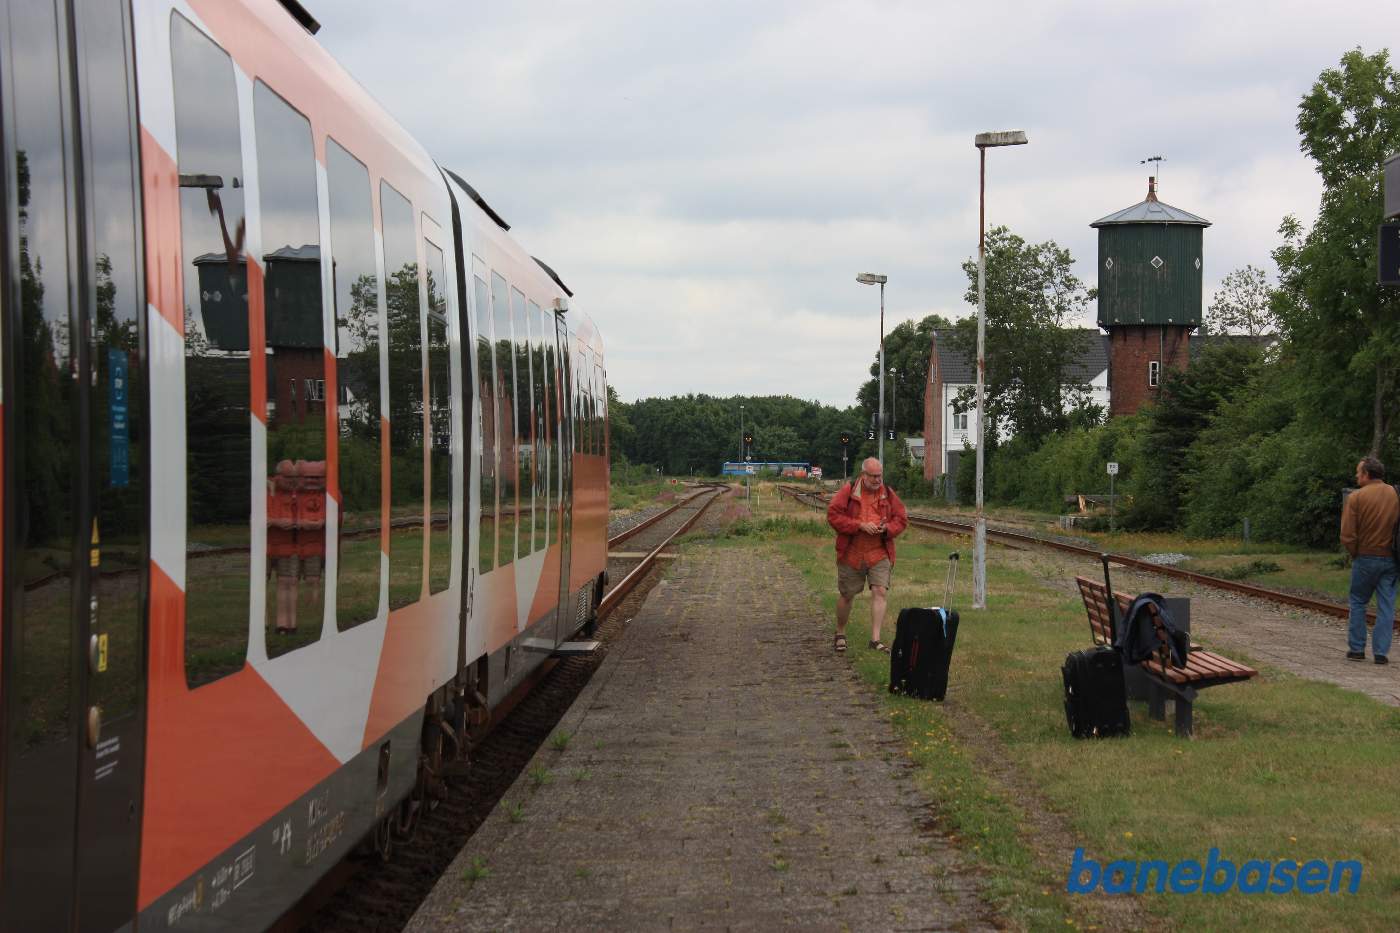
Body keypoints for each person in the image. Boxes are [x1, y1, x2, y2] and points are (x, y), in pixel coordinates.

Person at [827, 457, 908, 654]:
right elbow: (833, 516)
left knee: (880, 591)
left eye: (879, 476)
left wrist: (887, 528)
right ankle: (840, 633)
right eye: (873, 476)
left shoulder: (888, 493)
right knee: (847, 594)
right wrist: (859, 525)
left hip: (879, 552)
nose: (877, 480)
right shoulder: (848, 491)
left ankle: (875, 639)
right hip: (852, 553)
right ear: (863, 475)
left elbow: (902, 519)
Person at [1340, 456, 1399, 664]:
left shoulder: (1357, 497)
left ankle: (1357, 649)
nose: (1357, 476)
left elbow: (1347, 534)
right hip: (1391, 559)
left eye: (1358, 472)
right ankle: (1381, 653)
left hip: (1365, 557)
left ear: (1366, 474)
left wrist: (1356, 552)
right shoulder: (1396, 494)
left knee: (1358, 602)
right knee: (1387, 606)